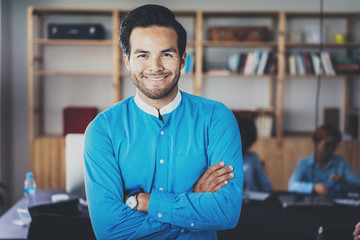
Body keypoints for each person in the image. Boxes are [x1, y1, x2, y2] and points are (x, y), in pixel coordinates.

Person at [84, 4, 243, 240]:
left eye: (166, 54)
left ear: (182, 60)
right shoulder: (102, 130)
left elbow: (226, 212)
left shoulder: (216, 119)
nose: (155, 66)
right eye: (142, 55)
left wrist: (143, 201)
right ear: (127, 60)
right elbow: (110, 230)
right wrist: (192, 198)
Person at [288, 124, 360, 198]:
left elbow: (358, 183)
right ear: (316, 143)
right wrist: (314, 187)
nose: (331, 149)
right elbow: (292, 185)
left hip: (336, 206)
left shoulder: (341, 163)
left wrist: (345, 181)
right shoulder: (304, 163)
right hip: (312, 207)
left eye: (334, 145)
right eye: (327, 145)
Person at [236, 116, 272, 192]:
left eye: (243, 136)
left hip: (253, 199)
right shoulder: (221, 159)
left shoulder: (253, 158)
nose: (240, 140)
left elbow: (266, 186)